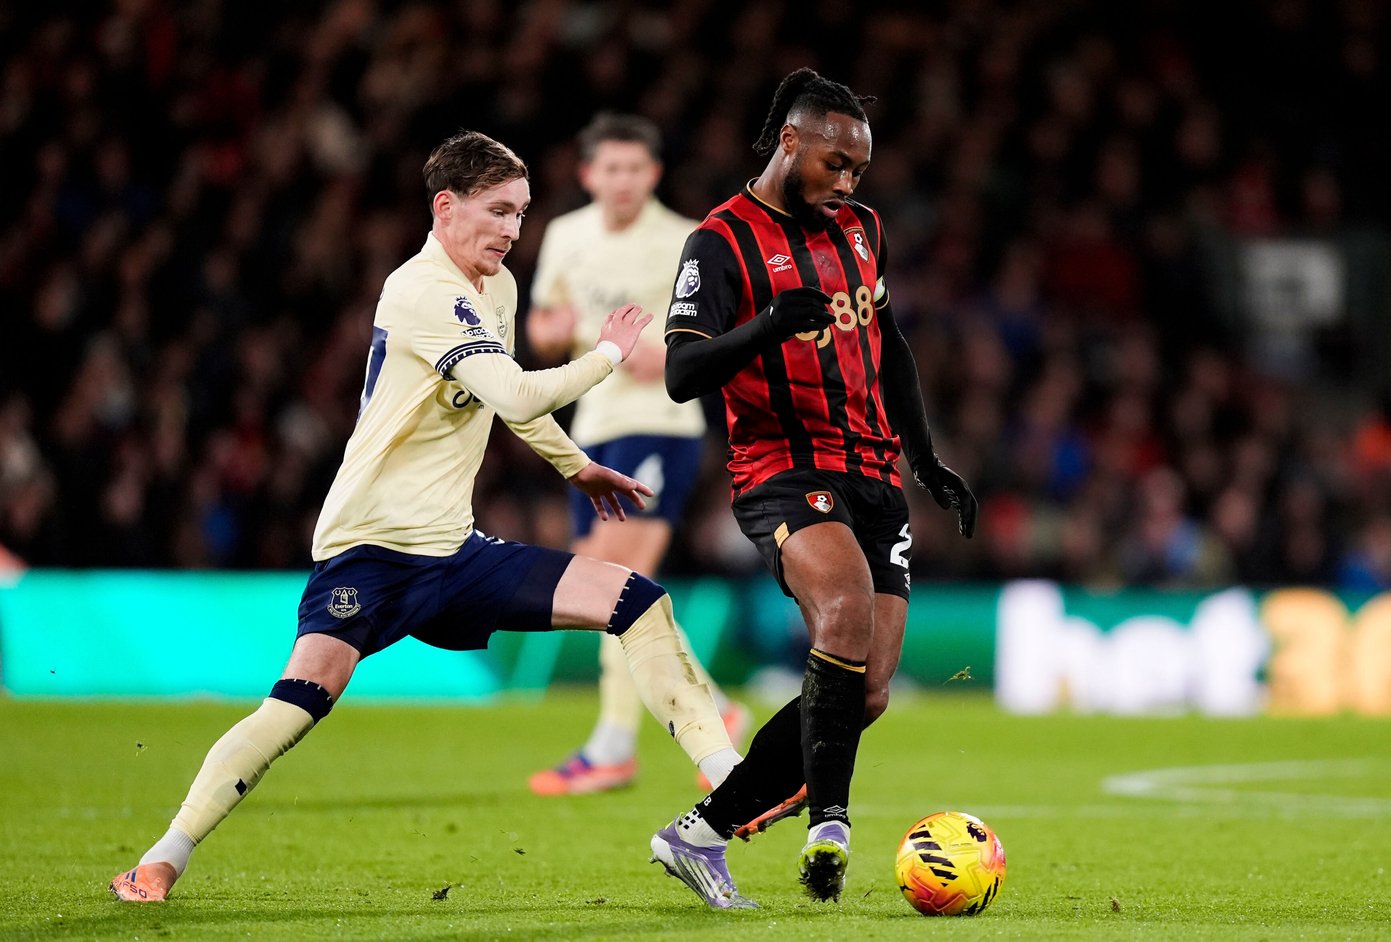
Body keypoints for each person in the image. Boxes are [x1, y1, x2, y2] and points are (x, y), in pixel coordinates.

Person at [109, 130, 743, 903]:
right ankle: (165, 854)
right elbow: (516, 393)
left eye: (522, 213)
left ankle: (733, 791)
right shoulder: (420, 290)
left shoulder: (497, 288)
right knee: (299, 702)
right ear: (446, 208)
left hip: (455, 551)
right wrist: (609, 353)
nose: (513, 231)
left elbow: (506, 396)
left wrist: (574, 465)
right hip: (368, 550)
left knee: (637, 600)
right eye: (499, 211)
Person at [647, 68, 978, 908]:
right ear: (790, 141)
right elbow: (683, 372)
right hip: (784, 472)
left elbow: (889, 340)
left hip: (874, 475)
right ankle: (830, 822)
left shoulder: (862, 230)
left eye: (858, 171)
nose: (846, 183)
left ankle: (701, 835)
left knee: (865, 690)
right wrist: (764, 327)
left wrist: (926, 456)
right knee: (843, 609)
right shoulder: (718, 242)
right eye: (834, 163)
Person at [525, 113, 748, 797]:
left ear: (653, 174)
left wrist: (677, 356)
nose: (622, 181)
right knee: (612, 585)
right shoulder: (565, 236)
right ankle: (715, 706)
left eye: (635, 169)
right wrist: (550, 331)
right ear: (588, 174)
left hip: (662, 425)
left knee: (612, 582)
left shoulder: (686, 238)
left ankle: (613, 747)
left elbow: (719, 337)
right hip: (589, 427)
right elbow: (540, 329)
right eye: (609, 169)